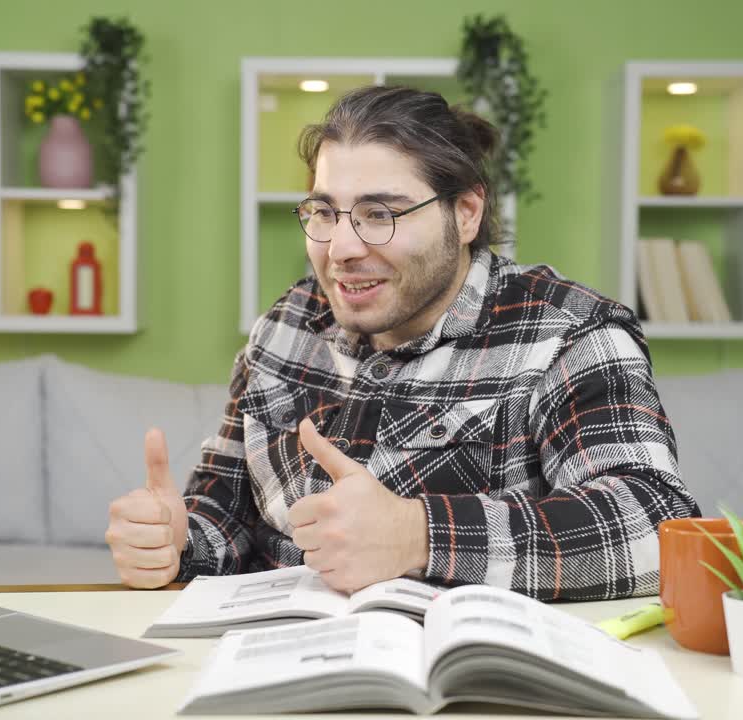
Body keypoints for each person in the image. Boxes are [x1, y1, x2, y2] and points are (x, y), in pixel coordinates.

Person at [106, 85, 699, 600]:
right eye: (325, 212)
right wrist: (174, 542)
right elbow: (223, 518)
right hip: (277, 659)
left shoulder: (571, 334)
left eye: (379, 214)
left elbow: (654, 527)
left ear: (465, 213)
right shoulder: (284, 328)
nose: (340, 249)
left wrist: (418, 535)